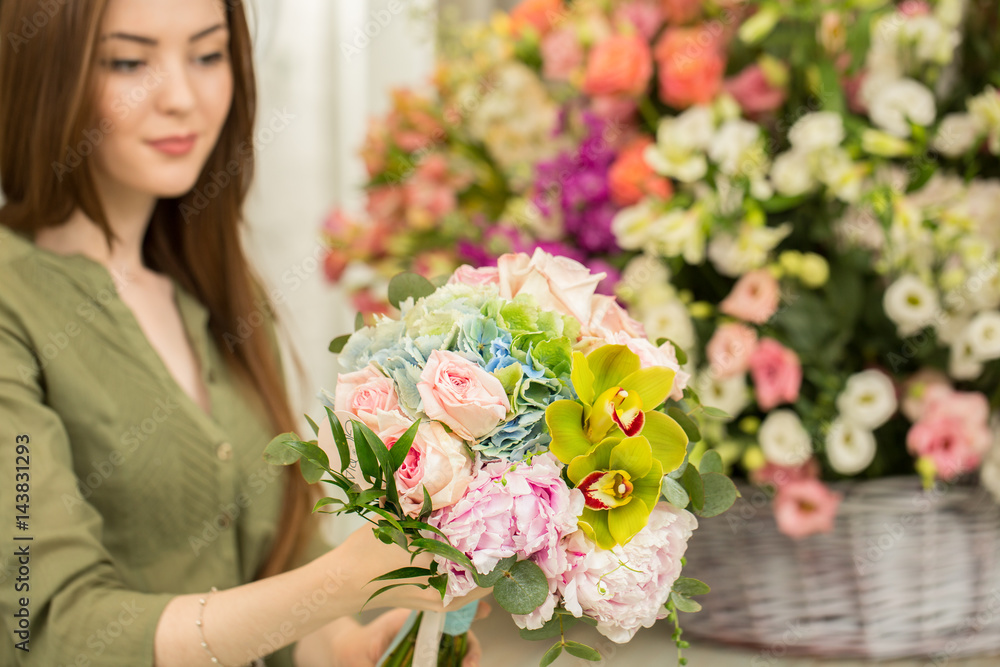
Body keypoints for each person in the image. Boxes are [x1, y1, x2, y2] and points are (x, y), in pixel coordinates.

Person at [0, 0, 488, 665]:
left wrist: (353, 645)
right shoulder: (14, 298)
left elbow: (278, 561)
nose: (182, 97)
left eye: (207, 54)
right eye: (128, 61)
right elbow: (50, 626)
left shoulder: (219, 286)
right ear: (42, 67)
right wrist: (341, 583)